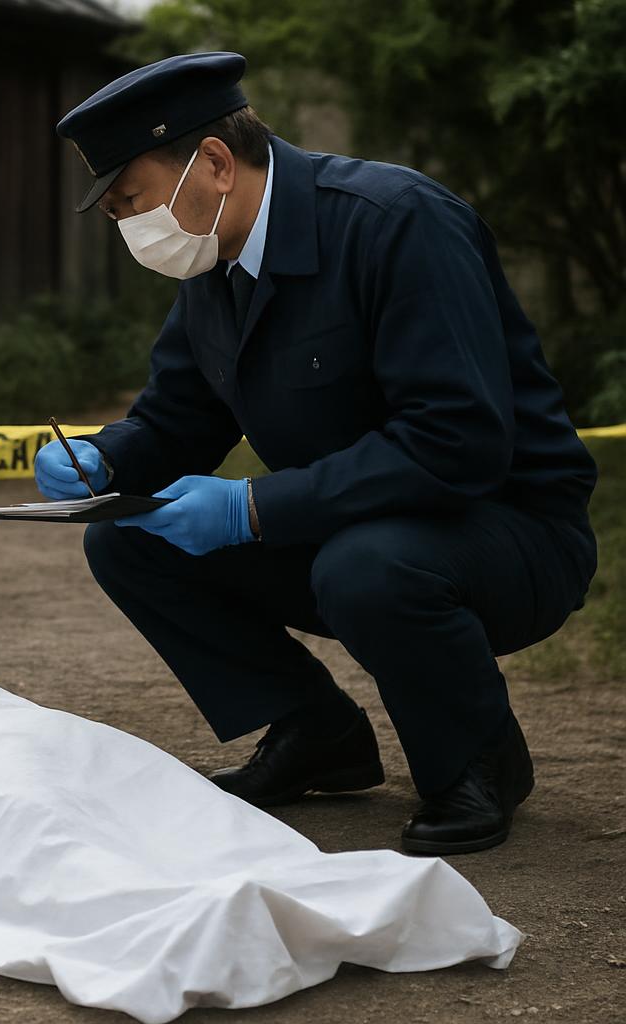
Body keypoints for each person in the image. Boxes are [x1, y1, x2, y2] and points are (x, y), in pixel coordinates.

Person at [34, 52, 599, 855]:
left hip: (506, 532)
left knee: (366, 567)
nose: (129, 226)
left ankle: (478, 763)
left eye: (132, 200)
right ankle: (317, 734)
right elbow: (177, 418)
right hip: (353, 526)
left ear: (215, 163)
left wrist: (252, 507)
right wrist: (106, 459)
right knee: (128, 540)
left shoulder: (397, 223)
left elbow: (458, 442)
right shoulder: (214, 262)